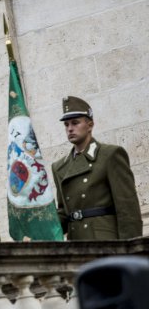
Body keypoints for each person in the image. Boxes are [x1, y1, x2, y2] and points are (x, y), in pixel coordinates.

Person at [52, 96, 142, 240]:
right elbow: (64, 211)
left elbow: (127, 207)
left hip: (105, 240)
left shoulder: (110, 155)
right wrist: (40, 228)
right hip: (75, 242)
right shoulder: (59, 167)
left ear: (90, 125)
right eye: (66, 124)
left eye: (75, 123)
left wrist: (133, 248)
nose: (70, 129)